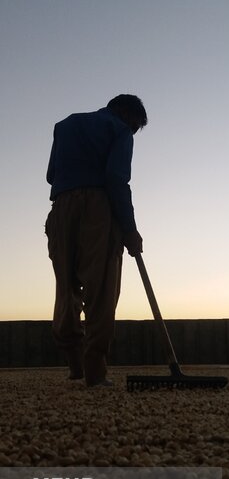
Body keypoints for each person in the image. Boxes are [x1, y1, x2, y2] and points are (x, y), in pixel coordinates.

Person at [45, 94, 147, 387]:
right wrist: (129, 229)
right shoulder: (120, 130)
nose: (135, 132)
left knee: (66, 287)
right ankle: (95, 372)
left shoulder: (65, 125)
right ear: (128, 114)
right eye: (137, 126)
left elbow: (51, 175)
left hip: (61, 208)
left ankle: (75, 365)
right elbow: (116, 178)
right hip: (98, 208)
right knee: (101, 287)